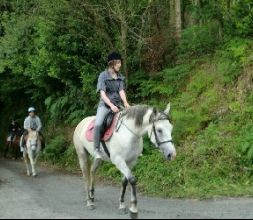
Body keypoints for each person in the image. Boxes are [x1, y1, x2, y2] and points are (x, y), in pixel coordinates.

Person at [94, 51, 130, 159]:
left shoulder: (120, 77)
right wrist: (110, 105)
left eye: (120, 62)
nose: (120, 64)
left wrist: (126, 103)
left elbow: (121, 91)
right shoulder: (103, 76)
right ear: (111, 63)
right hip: (105, 106)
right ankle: (96, 149)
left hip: (118, 105)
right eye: (118, 62)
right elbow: (102, 94)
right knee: (98, 124)